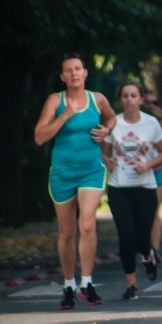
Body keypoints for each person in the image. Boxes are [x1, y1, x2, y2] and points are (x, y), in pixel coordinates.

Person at [34, 52, 116, 309]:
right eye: (68, 70)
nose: (74, 73)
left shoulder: (97, 99)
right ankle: (68, 285)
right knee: (67, 232)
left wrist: (107, 129)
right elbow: (39, 136)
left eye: (78, 68)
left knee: (88, 224)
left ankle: (87, 283)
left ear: (85, 72)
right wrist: (65, 115)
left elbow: (111, 117)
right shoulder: (55, 101)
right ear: (62, 77)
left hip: (91, 169)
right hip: (62, 172)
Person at [101, 82, 162, 300]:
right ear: (120, 99)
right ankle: (132, 285)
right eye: (125, 95)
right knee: (126, 236)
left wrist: (148, 165)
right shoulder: (114, 123)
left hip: (145, 187)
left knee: (142, 236)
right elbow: (103, 153)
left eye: (133, 95)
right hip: (119, 187)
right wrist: (108, 162)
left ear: (141, 99)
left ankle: (149, 256)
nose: (129, 99)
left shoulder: (151, 124)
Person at [141, 90, 162, 261]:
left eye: (155, 102)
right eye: (148, 102)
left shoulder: (159, 122)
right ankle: (144, 247)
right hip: (133, 173)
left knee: (153, 212)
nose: (151, 105)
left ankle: (155, 250)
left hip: (155, 170)